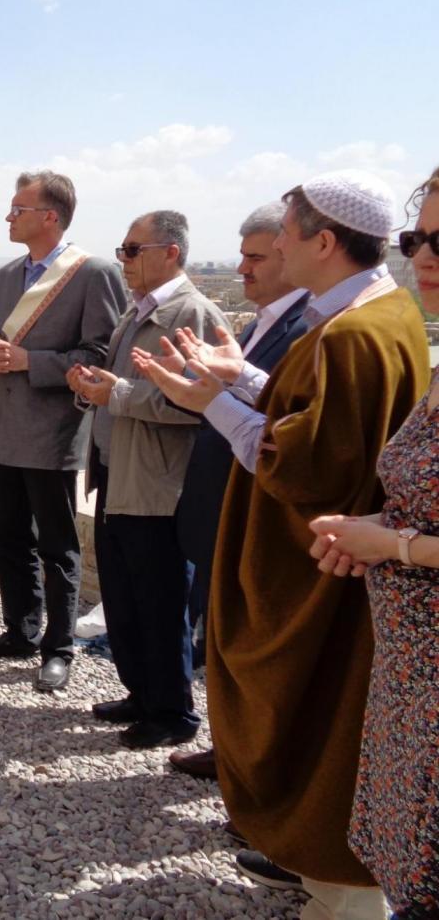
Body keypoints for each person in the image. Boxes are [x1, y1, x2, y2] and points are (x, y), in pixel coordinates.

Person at [140, 170, 427, 919]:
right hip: (339, 566)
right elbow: (321, 412)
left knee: (320, 725)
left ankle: (339, 888)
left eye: (286, 237)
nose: (273, 251)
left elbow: (307, 463)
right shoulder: (370, 314)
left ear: (324, 243)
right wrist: (245, 377)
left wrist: (214, 403)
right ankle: (312, 866)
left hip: (322, 573)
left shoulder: (357, 331)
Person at [303, 166, 439, 920]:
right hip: (411, 676)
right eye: (418, 239)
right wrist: (378, 532)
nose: (424, 258)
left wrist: (398, 546)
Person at [145, 202, 309, 780]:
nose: (243, 269)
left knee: (253, 649)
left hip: (259, 511)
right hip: (220, 507)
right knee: (222, 637)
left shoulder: (307, 331)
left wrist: (208, 394)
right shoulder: (258, 323)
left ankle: (254, 767)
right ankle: (230, 748)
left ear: (293, 255)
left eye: (256, 257)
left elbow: (285, 427)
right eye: (242, 256)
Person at [68, 210, 226, 748]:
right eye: (122, 250)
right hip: (119, 476)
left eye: (133, 250)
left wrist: (116, 393)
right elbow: (121, 388)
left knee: (160, 602)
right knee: (125, 596)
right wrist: (93, 386)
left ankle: (173, 712)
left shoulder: (192, 314)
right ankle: (141, 694)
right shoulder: (136, 311)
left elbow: (197, 403)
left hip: (158, 486)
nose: (124, 260)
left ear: (171, 253)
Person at [0, 171, 126, 692]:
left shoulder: (93, 273)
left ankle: (58, 648)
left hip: (53, 433)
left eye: (19, 209)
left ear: (50, 216)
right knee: (9, 537)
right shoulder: (8, 275)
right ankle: (20, 630)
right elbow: (0, 343)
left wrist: (28, 361)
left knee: (57, 547)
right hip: (3, 430)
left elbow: (99, 355)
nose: (9, 217)